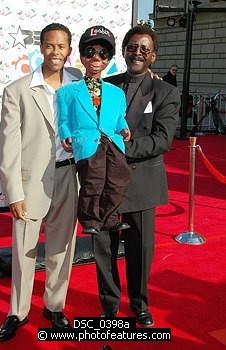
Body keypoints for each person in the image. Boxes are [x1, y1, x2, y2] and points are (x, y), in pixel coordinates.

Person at [0, 23, 82, 342]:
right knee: (23, 250)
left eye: (61, 46)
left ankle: (54, 306)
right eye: (49, 45)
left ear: (69, 50)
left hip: (68, 176)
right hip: (31, 184)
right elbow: (9, 146)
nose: (55, 52)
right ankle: (17, 312)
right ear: (41, 48)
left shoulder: (79, 83)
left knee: (62, 247)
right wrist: (14, 192)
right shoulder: (17, 89)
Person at [92, 25, 181, 326]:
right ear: (124, 50)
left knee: (140, 251)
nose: (137, 52)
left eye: (144, 48)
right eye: (132, 46)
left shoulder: (165, 91)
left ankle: (140, 304)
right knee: (104, 250)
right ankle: (109, 306)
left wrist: (121, 147)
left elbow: (162, 139)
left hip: (141, 183)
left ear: (153, 56)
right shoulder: (106, 86)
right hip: (105, 183)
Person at [57, 26, 132, 236]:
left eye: (103, 54)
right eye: (90, 53)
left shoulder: (116, 93)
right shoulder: (67, 92)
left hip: (113, 142)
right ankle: (91, 220)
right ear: (81, 56)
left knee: (119, 179)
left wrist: (124, 129)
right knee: (93, 182)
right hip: (87, 142)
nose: (96, 58)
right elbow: (63, 120)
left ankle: (111, 218)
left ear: (108, 59)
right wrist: (66, 135)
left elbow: (119, 118)